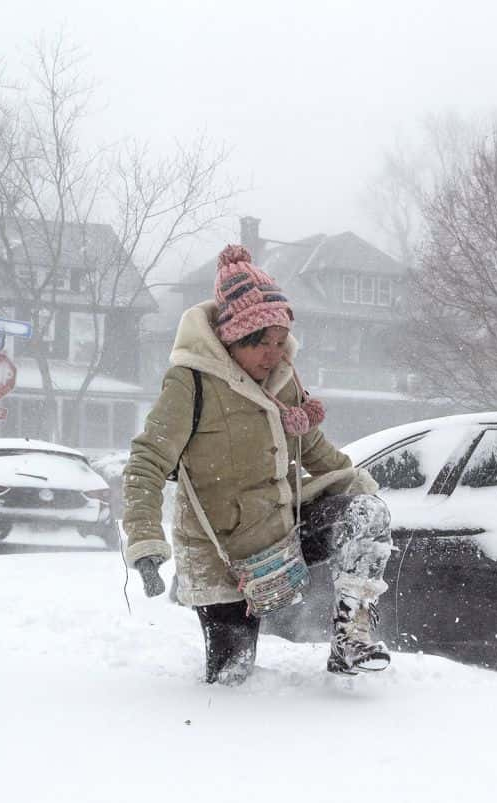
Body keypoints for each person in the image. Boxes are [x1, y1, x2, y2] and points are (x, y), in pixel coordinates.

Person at [122, 244, 394, 685]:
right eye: (260, 343)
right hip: (222, 554)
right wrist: (146, 543)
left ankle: (353, 639)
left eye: (279, 341)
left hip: (283, 534)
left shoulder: (284, 382)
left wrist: (367, 491)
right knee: (233, 679)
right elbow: (146, 462)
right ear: (232, 339)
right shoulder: (190, 381)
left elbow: (318, 453)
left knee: (366, 513)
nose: (273, 354)